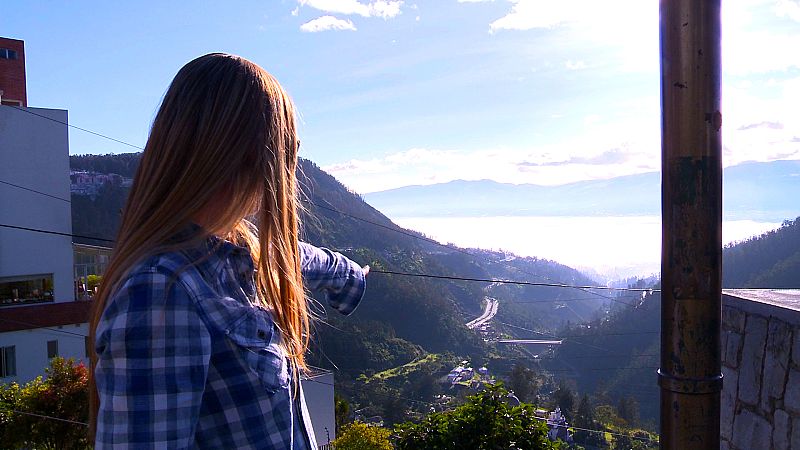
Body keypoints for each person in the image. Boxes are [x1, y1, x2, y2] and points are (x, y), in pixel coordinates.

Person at [89, 53, 369, 449]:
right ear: (258, 155)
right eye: (288, 146)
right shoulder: (161, 293)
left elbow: (299, 259)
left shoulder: (237, 254)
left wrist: (350, 275)